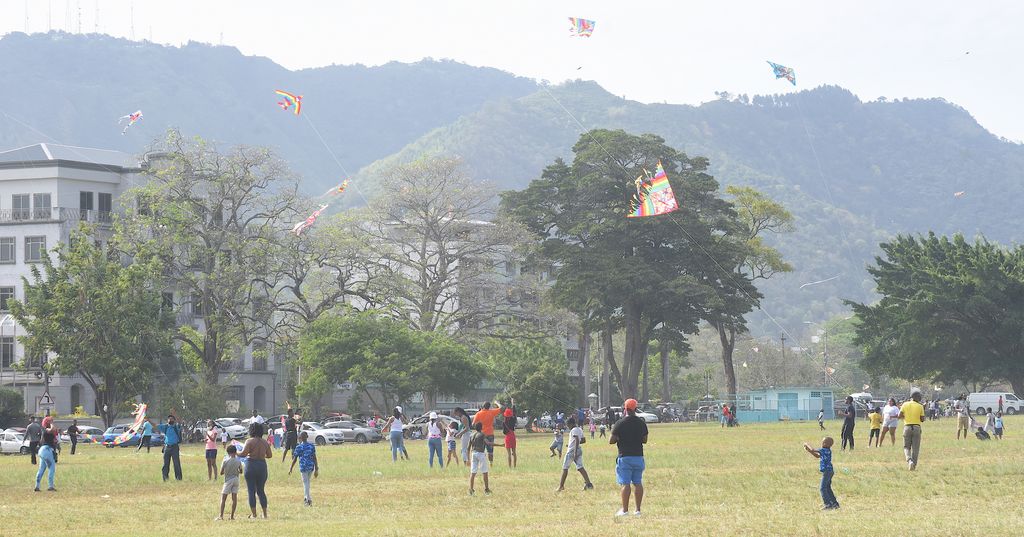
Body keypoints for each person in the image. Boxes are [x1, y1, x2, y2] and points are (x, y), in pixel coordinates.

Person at [610, 398, 649, 517]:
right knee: (638, 482)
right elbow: (645, 440)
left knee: (625, 484)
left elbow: (611, 441)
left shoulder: (620, 423)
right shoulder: (641, 422)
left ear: (625, 409)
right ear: (636, 409)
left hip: (625, 456)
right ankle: (637, 510)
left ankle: (625, 510)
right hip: (638, 456)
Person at [240, 422, 273, 518]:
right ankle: (265, 514)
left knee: (251, 491)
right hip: (262, 465)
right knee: (261, 491)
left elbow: (243, 454)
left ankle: (254, 514)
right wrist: (262, 455)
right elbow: (270, 455)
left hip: (251, 465)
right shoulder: (265, 442)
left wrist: (236, 452)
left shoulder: (249, 441)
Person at [556, 416, 593, 492]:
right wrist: (570, 444)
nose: (568, 427)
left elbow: (576, 439)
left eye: (568, 425)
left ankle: (561, 486)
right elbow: (583, 440)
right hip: (578, 449)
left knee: (565, 468)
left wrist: (574, 451)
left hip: (572, 451)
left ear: (571, 424)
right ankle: (589, 484)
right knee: (580, 467)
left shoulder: (574, 430)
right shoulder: (579, 429)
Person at [803, 437, 838, 510]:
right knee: (828, 488)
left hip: (827, 472)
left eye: (822, 442)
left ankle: (828, 504)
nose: (821, 444)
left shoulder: (823, 450)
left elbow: (813, 449)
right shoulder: (827, 451)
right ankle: (834, 503)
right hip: (830, 471)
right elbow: (817, 456)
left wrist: (807, 444)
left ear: (825, 444)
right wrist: (809, 451)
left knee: (822, 488)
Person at [289, 431, 319, 506]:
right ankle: (308, 498)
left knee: (305, 483)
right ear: (307, 437)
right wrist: (316, 468)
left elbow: (295, 459)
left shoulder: (299, 447)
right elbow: (314, 458)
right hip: (310, 466)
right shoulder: (311, 446)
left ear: (300, 438)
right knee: (307, 482)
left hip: (303, 467)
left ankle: (307, 499)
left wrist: (291, 468)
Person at [899, 389, 925, 471]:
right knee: (915, 448)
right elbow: (922, 419)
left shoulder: (905, 404)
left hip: (907, 427)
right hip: (917, 427)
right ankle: (914, 464)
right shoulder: (920, 406)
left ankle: (909, 460)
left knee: (906, 447)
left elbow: (899, 415)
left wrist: (906, 417)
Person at [217, 443, 243, 520]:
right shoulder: (238, 461)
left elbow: (221, 473)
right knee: (234, 498)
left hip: (228, 480)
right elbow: (241, 471)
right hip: (236, 479)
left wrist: (227, 471)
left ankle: (221, 516)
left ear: (228, 452)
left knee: (223, 498)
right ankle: (232, 516)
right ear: (235, 452)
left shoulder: (225, 461)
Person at [468, 422, 492, 496]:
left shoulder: (471, 435)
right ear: (481, 427)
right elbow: (487, 443)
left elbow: (468, 448)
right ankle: (486, 489)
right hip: (481, 454)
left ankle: (471, 489)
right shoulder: (482, 435)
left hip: (473, 454)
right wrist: (499, 445)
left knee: (473, 473)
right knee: (485, 472)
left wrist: (468, 459)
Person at [34, 420, 58, 492]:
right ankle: (50, 486)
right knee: (51, 468)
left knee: (41, 469)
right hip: (47, 450)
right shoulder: (47, 430)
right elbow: (53, 429)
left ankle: (37, 486)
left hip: (42, 450)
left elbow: (41, 441)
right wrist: (51, 423)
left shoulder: (43, 431)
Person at [158, 413, 183, 481]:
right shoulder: (165, 427)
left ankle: (178, 478)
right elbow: (155, 426)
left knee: (176, 464)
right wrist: (148, 420)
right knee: (165, 464)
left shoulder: (176, 427)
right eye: (169, 418)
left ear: (174, 420)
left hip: (174, 447)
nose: (170, 419)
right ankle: (165, 478)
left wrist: (174, 413)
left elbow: (180, 421)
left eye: (172, 418)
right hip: (167, 447)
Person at [502, 403, 517, 469]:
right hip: (513, 436)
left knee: (509, 453)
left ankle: (510, 467)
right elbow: (514, 413)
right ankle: (515, 466)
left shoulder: (504, 422)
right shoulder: (513, 420)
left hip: (508, 437)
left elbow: (504, 432)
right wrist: (513, 404)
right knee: (514, 452)